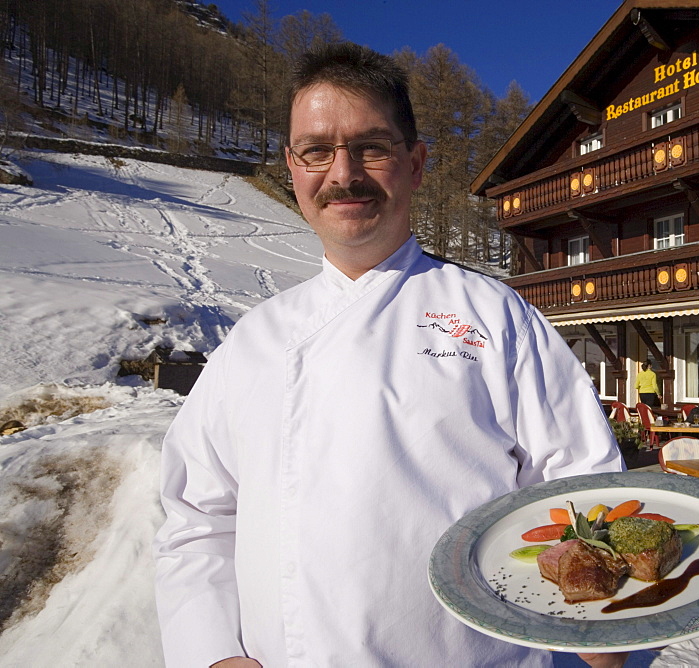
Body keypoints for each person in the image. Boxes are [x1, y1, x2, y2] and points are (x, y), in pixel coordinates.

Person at [152, 43, 625, 668]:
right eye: (317, 151)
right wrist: (212, 654)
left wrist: (599, 624)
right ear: (292, 168)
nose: (342, 173)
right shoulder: (253, 342)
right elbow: (197, 518)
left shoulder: (494, 318)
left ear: (416, 163)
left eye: (371, 147)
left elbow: (580, 487)